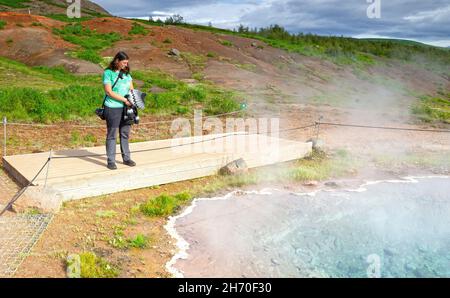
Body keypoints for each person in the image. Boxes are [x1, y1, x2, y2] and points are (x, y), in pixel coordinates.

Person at [102, 51, 136, 170]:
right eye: (124, 62)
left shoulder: (127, 74)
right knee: (112, 134)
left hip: (126, 108)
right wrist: (124, 100)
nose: (126, 65)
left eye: (127, 63)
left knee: (125, 133)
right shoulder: (108, 73)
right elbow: (109, 92)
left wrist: (133, 101)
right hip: (112, 107)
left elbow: (131, 89)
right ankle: (111, 160)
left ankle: (126, 158)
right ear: (117, 61)